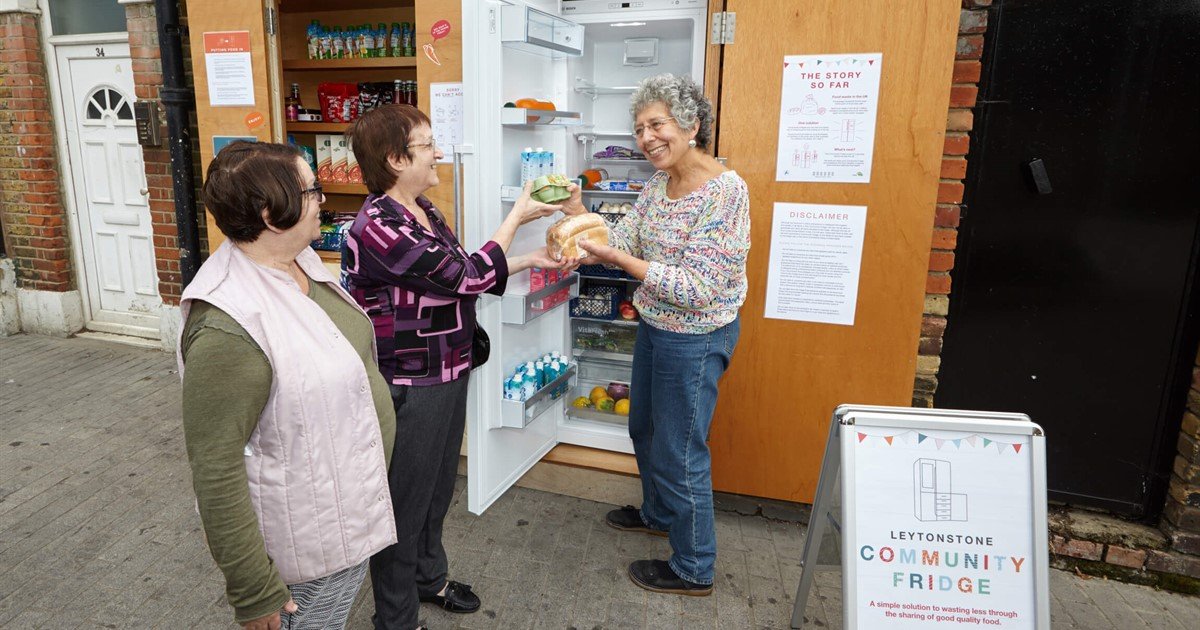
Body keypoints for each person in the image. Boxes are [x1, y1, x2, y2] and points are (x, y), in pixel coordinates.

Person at [342, 104, 575, 630]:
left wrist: (527, 262)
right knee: (404, 503)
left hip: (448, 368)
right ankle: (396, 618)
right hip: (409, 380)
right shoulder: (378, 226)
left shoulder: (422, 208)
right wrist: (518, 214)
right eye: (427, 145)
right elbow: (462, 275)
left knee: (438, 485)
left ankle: (429, 578)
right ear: (396, 159)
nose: (438, 152)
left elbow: (459, 272)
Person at [178, 141, 397, 630]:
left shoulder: (298, 262)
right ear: (269, 212)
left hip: (343, 514)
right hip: (306, 547)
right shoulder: (226, 327)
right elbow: (216, 468)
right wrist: (255, 592)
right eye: (313, 190)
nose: (324, 199)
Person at [573, 74, 750, 596]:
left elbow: (697, 287)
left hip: (696, 338)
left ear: (692, 125)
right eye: (639, 128)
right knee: (643, 429)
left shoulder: (725, 193)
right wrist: (576, 215)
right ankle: (658, 513)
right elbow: (624, 234)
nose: (646, 137)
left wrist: (617, 257)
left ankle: (694, 567)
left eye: (657, 124)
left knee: (679, 450)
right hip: (655, 326)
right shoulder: (659, 183)